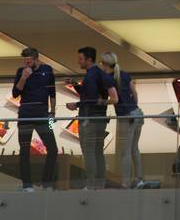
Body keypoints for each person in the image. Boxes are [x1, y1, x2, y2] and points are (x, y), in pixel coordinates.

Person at [65, 46, 117, 189]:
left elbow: (91, 99)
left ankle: (90, 184)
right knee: (98, 152)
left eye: (80, 59)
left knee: (89, 152)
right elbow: (90, 95)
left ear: (89, 59)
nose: (78, 61)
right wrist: (75, 84)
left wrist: (76, 105)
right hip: (100, 119)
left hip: (89, 119)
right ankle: (99, 183)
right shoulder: (99, 74)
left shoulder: (91, 76)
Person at [12, 47, 58, 192]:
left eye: (29, 61)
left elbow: (52, 93)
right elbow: (15, 93)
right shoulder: (21, 71)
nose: (26, 64)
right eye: (25, 61)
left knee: (53, 148)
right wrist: (24, 77)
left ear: (36, 59)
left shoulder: (47, 70)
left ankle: (47, 183)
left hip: (44, 115)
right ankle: (27, 185)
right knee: (24, 150)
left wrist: (52, 112)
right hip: (24, 115)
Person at [100, 52, 144, 189]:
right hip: (137, 113)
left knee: (125, 152)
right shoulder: (124, 74)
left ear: (105, 64)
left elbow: (114, 99)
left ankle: (126, 182)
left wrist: (102, 102)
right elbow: (134, 93)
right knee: (134, 148)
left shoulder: (107, 78)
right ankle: (139, 179)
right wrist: (134, 106)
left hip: (126, 116)